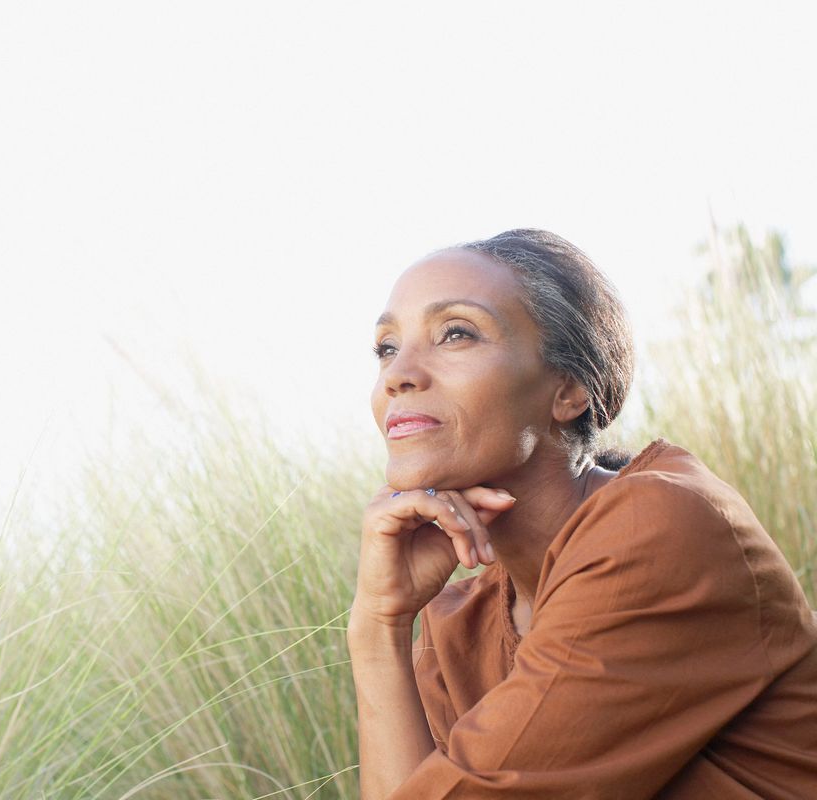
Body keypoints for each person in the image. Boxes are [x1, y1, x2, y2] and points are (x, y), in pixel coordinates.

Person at [349, 229, 817, 799]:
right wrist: (379, 627)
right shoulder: (458, 625)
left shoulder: (661, 525)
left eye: (456, 334)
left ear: (569, 390)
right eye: (387, 347)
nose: (400, 374)